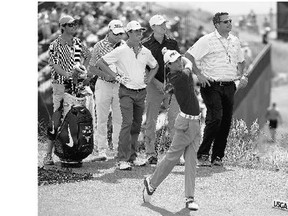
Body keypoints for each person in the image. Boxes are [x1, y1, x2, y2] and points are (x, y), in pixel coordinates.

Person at [184, 12, 248, 167]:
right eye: (225, 21)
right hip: (211, 85)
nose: (229, 23)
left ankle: (218, 157)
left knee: (225, 122)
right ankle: (203, 154)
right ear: (217, 24)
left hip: (230, 85)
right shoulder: (207, 40)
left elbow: (241, 61)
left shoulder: (235, 40)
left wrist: (242, 75)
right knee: (216, 118)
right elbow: (188, 56)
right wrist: (199, 74)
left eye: (230, 20)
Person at [142, 48, 201, 211]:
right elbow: (189, 62)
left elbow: (184, 63)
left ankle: (190, 198)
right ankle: (151, 183)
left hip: (195, 123)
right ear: (169, 66)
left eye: (178, 59)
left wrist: (170, 52)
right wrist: (185, 57)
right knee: (171, 159)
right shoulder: (179, 76)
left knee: (191, 161)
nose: (178, 62)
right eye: (174, 61)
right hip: (185, 125)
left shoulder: (177, 73)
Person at [96, 20, 159, 170]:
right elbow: (101, 62)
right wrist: (115, 76)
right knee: (127, 123)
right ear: (128, 33)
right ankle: (121, 159)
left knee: (136, 126)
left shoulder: (145, 51)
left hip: (141, 92)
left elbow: (155, 66)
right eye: (136, 31)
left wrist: (149, 78)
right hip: (126, 92)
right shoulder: (121, 50)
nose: (139, 33)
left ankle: (132, 156)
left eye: (141, 31)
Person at [142, 14, 192, 165]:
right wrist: (157, 83)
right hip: (153, 85)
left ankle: (176, 155)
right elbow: (144, 68)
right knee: (151, 120)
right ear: (153, 27)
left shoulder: (172, 42)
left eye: (164, 23)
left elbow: (177, 64)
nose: (164, 26)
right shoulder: (145, 44)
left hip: (172, 86)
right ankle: (150, 153)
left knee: (175, 120)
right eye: (160, 24)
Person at [43, 15, 91, 165]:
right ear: (62, 26)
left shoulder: (77, 42)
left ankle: (74, 152)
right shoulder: (55, 44)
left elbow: (88, 56)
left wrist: (83, 71)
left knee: (75, 119)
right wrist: (70, 75)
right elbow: (55, 65)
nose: (74, 26)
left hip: (77, 87)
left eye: (75, 24)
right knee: (57, 119)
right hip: (60, 86)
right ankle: (48, 155)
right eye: (70, 24)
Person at [87, 20, 126, 160]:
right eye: (116, 33)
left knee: (119, 119)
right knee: (102, 119)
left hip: (119, 86)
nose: (119, 36)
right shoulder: (99, 45)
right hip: (103, 84)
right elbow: (91, 68)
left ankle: (117, 150)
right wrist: (107, 75)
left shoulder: (124, 46)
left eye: (121, 33)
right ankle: (101, 151)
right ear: (109, 32)